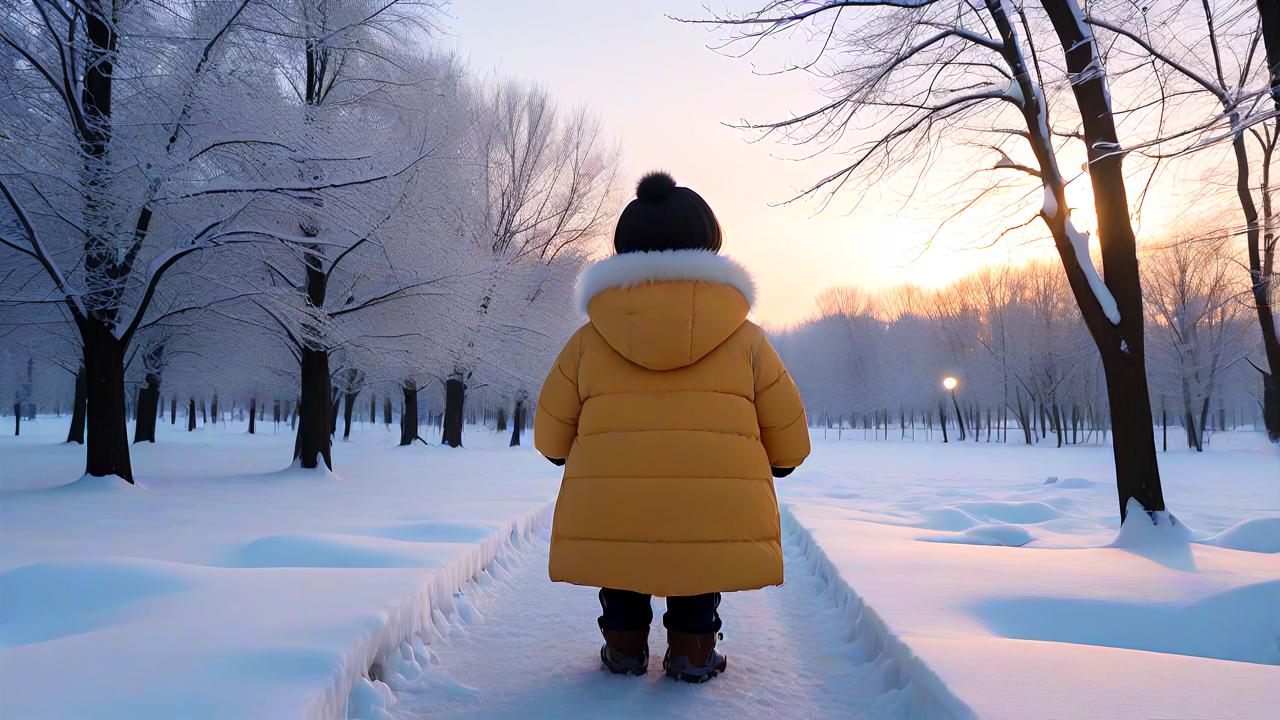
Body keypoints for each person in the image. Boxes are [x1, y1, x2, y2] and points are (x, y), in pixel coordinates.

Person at [533, 171, 810, 683]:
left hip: (612, 498)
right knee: (697, 568)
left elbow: (550, 427)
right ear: (709, 245)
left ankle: (623, 650)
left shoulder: (588, 341)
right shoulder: (745, 340)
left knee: (621, 568)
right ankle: (693, 653)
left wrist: (558, 452)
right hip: (712, 499)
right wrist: (783, 459)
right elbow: (787, 426)